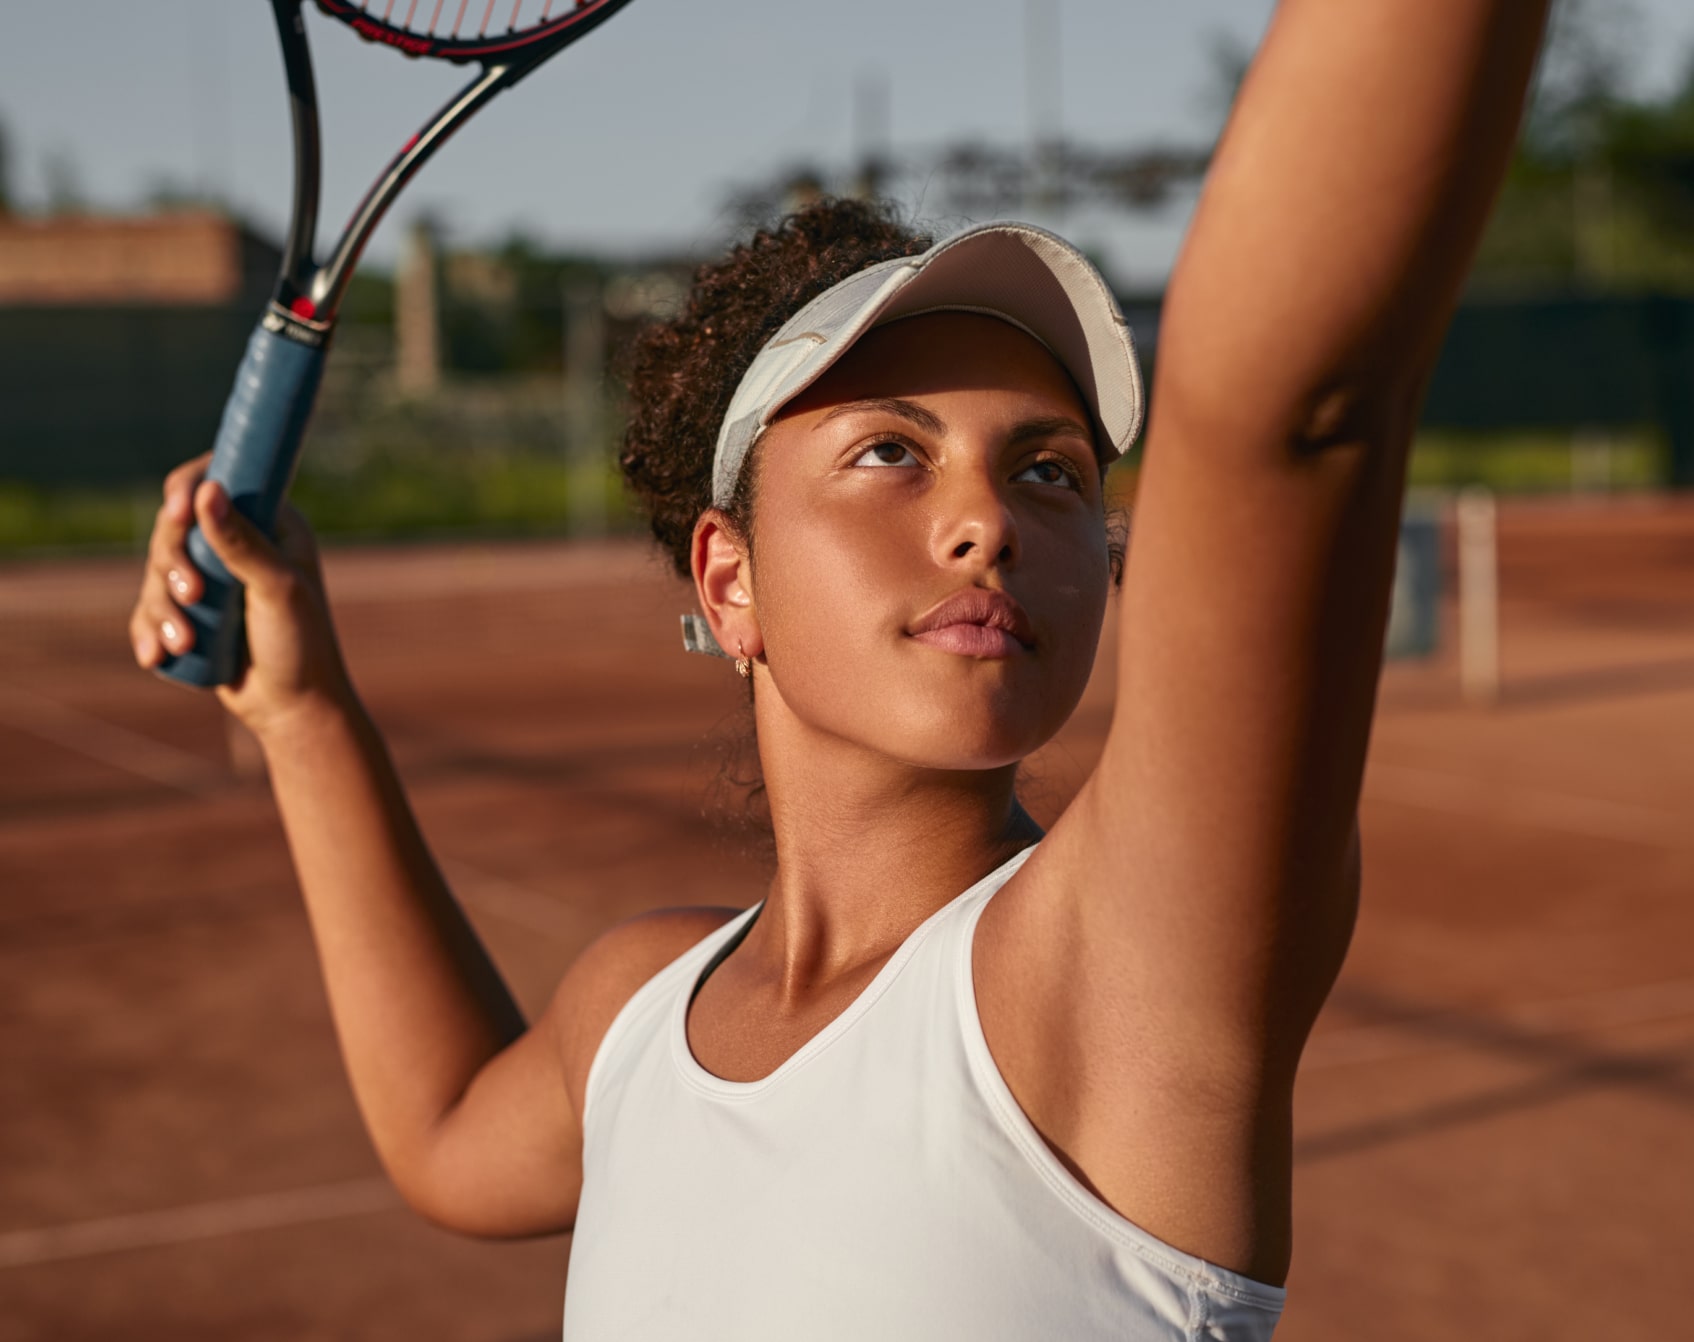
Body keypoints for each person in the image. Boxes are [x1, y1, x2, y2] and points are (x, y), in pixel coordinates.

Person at [129, 3, 1550, 1336]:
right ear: (727, 578)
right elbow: (446, 1130)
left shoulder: (1120, 962)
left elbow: (1290, 412)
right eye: (889, 450)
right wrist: (303, 708)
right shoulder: (634, 1012)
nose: (986, 517)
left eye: (1050, 472)